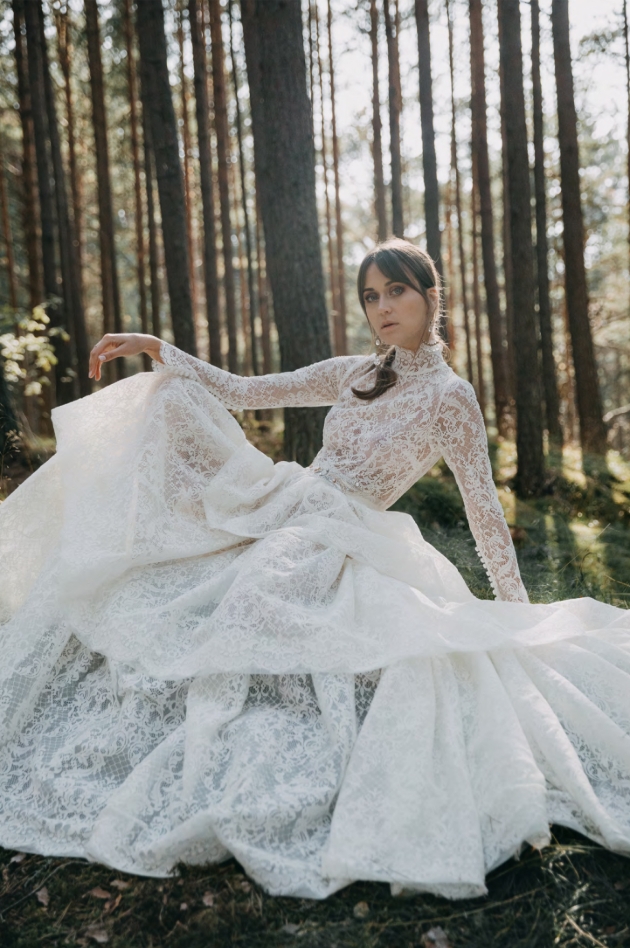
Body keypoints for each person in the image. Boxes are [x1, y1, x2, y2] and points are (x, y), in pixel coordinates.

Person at [0, 238, 628, 900]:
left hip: (344, 530)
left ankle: (238, 728)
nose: (383, 308)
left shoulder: (451, 397)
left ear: (430, 297)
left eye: (397, 291)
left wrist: (516, 610)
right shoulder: (356, 371)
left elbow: (484, 513)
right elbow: (243, 392)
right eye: (371, 296)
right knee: (170, 404)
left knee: (256, 599)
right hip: (286, 499)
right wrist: (160, 349)